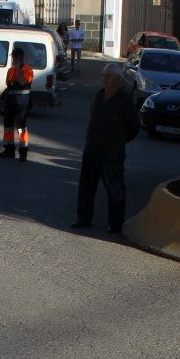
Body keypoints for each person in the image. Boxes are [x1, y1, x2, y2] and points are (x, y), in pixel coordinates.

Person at [71, 63, 139, 233]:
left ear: (118, 79)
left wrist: (119, 140)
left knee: (114, 188)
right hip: (92, 147)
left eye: (108, 75)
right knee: (86, 185)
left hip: (112, 150)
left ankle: (115, 224)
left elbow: (134, 127)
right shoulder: (99, 96)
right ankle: (83, 218)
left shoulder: (124, 101)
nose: (104, 78)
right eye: (103, 75)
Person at [0, 47, 33, 161]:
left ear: (21, 57)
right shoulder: (10, 70)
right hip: (10, 101)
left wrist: (17, 70)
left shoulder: (28, 70)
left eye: (15, 57)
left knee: (21, 127)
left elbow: (23, 82)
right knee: (8, 127)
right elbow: (9, 84)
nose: (13, 59)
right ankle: (9, 150)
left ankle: (23, 153)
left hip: (22, 102)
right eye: (13, 57)